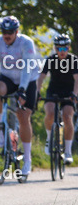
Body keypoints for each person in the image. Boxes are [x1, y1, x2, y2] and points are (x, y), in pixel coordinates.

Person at [0, 15, 40, 178]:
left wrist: (22, 89)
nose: (7, 35)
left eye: (11, 32)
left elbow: (27, 68)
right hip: (7, 77)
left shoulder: (26, 42)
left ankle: (27, 159)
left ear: (17, 31)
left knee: (23, 116)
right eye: (4, 31)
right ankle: (2, 131)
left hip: (27, 79)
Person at [36, 34, 78, 164]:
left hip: (69, 92)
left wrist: (75, 94)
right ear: (55, 49)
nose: (62, 52)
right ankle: (49, 140)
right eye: (59, 49)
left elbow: (77, 80)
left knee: (67, 116)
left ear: (69, 48)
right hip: (53, 91)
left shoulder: (74, 60)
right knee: (49, 112)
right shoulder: (50, 60)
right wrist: (37, 92)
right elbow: (41, 77)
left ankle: (68, 152)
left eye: (64, 48)